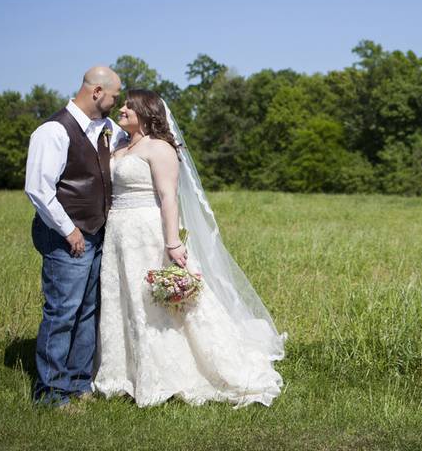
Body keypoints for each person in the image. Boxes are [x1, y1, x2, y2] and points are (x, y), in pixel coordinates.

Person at [92, 89, 286, 407]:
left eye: (129, 105)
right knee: (122, 298)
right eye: (123, 103)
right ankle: (123, 372)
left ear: (145, 111)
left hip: (148, 232)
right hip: (118, 232)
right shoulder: (121, 145)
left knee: (153, 303)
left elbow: (169, 197)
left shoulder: (160, 148)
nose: (122, 108)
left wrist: (172, 242)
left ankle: (170, 373)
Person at [24, 66, 124, 407]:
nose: (116, 102)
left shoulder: (107, 129)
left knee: (87, 310)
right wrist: (69, 230)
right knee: (62, 311)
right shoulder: (53, 131)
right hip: (66, 236)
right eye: (114, 96)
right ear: (97, 92)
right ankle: (51, 393)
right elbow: (38, 189)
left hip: (97, 234)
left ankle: (80, 383)